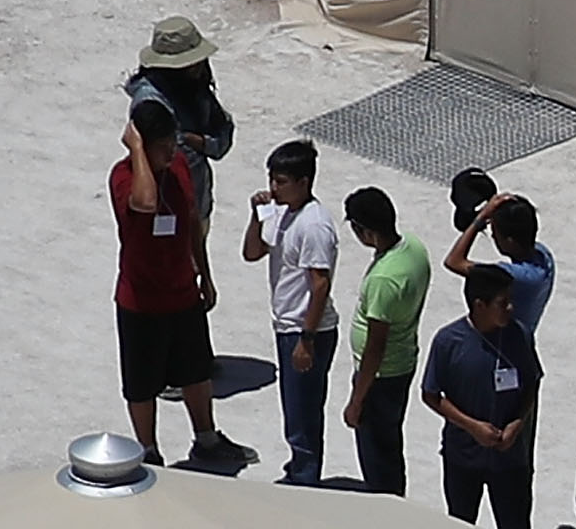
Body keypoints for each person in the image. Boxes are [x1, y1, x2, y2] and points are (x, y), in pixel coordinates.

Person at [112, 103, 253, 471]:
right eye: (162, 146)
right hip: (140, 301)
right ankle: (148, 451)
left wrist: (204, 273)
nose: (172, 152)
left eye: (172, 143)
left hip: (182, 294)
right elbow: (144, 202)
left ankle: (206, 439)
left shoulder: (178, 170)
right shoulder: (124, 177)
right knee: (141, 384)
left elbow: (191, 222)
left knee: (196, 372)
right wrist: (138, 150)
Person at [422, 262, 543, 529]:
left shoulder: (519, 335)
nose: (510, 308)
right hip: (463, 458)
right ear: (479, 305)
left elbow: (532, 382)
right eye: (503, 303)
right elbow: (431, 394)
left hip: (510, 459)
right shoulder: (448, 341)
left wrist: (516, 423)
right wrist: (472, 426)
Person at [243, 140, 340, 485]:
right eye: (272, 179)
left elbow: (320, 286)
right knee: (294, 410)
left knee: (303, 413)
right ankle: (299, 469)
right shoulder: (281, 211)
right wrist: (257, 217)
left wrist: (307, 339)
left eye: (281, 181)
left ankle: (305, 478)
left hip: (306, 330)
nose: (273, 187)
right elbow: (253, 252)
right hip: (287, 326)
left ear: (304, 182)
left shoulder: (314, 226)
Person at [341, 186, 432, 497]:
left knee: (378, 460)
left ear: (366, 231)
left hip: (380, 379)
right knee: (391, 447)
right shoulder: (415, 248)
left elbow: (375, 348)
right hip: (403, 365)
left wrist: (356, 401)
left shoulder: (384, 280)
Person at [125, 17, 233, 249]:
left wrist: (204, 143)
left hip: (196, 204)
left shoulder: (195, 87)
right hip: (166, 209)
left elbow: (223, 132)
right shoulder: (150, 103)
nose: (198, 67)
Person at [447, 188, 555, 340]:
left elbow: (453, 261)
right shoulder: (544, 255)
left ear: (510, 241)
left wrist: (480, 219)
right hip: (523, 340)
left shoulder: (516, 276)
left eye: (495, 233)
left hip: (503, 347)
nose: (492, 236)